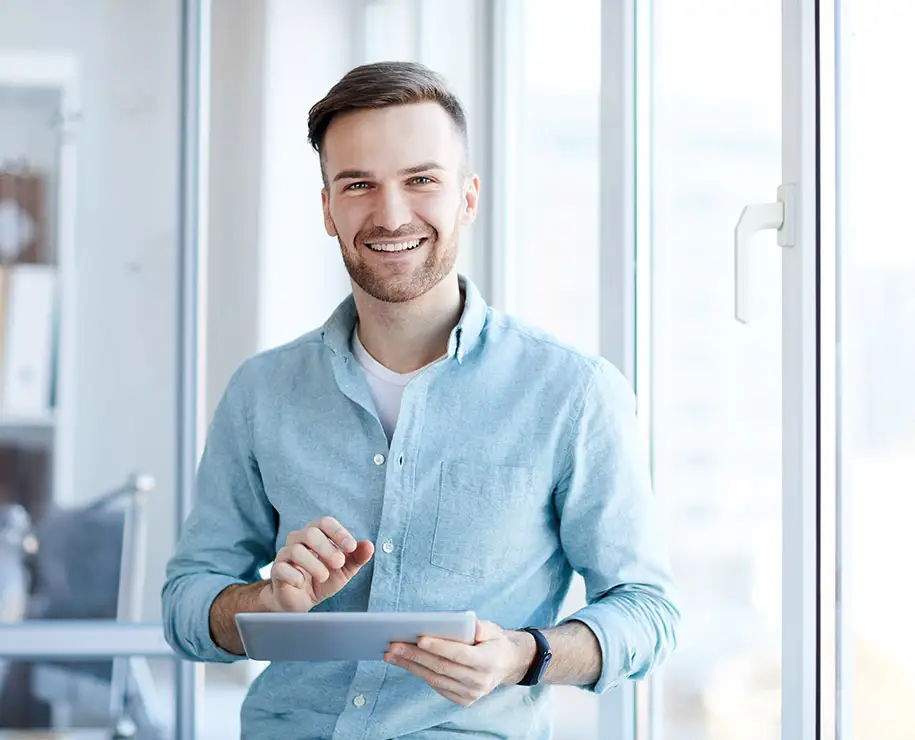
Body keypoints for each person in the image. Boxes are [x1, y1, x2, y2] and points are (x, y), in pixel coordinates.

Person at [162, 60, 679, 739]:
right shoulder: (262, 391)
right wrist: (268, 603)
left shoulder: (573, 393)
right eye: (358, 185)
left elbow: (647, 611)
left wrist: (521, 656)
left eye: (420, 180)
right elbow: (185, 605)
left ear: (467, 197)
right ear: (327, 209)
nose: (391, 214)